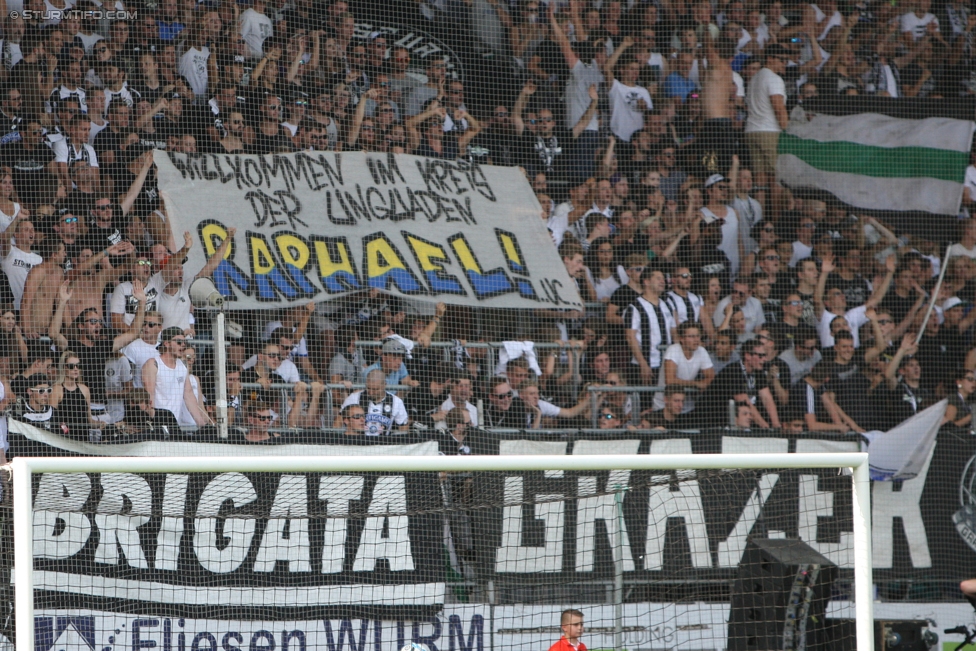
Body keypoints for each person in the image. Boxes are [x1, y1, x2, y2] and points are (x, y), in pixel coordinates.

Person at [744, 43, 789, 217]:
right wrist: (787, 131)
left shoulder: (754, 78)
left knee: (760, 182)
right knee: (775, 180)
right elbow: (779, 108)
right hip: (770, 131)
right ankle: (776, 222)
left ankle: (760, 221)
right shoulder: (774, 79)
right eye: (781, 59)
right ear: (770, 58)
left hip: (752, 131)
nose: (784, 63)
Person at [142, 327, 210, 427]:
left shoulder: (183, 365)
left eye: (184, 342)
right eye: (178, 342)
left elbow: (189, 395)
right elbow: (149, 394)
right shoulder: (153, 364)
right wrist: (153, 420)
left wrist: (201, 423)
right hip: (157, 422)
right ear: (166, 343)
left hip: (175, 424)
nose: (183, 345)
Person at [625, 267, 677, 385]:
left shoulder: (668, 305)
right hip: (644, 365)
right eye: (658, 278)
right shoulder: (635, 307)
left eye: (663, 279)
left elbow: (674, 333)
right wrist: (643, 364)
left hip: (666, 364)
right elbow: (630, 337)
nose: (662, 281)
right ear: (646, 282)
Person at [337, 369, 409, 436]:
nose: (371, 392)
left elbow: (403, 427)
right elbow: (339, 420)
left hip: (384, 446)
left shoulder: (396, 402)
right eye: (368, 388)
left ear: (384, 385)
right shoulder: (354, 398)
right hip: (358, 444)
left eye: (375, 389)